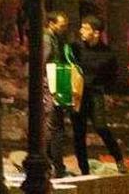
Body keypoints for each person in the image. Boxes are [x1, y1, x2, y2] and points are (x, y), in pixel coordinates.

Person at [70, 16, 128, 175]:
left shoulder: (107, 53)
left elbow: (113, 75)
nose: (81, 31)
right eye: (81, 27)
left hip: (95, 93)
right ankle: (84, 170)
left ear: (96, 33)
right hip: (78, 95)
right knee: (79, 133)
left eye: (85, 28)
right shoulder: (75, 47)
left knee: (101, 127)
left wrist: (104, 87)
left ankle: (119, 159)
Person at [43, 10, 72, 178]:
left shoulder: (55, 39)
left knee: (53, 126)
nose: (64, 29)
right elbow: (45, 61)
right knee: (55, 126)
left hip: (52, 84)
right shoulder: (48, 40)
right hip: (52, 85)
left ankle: (52, 164)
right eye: (62, 26)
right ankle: (56, 166)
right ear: (51, 24)